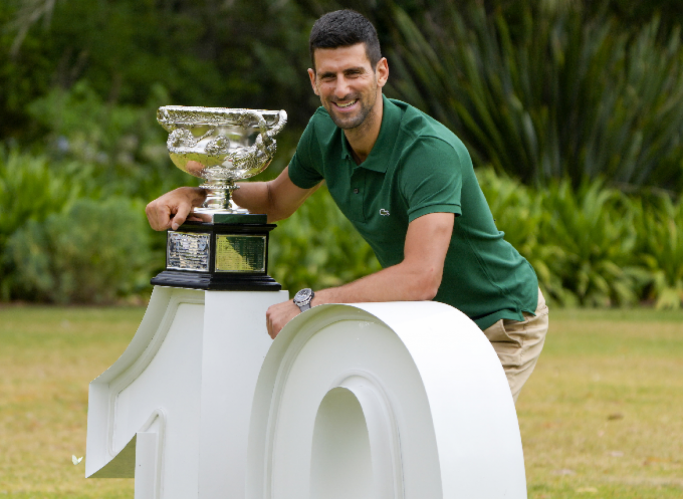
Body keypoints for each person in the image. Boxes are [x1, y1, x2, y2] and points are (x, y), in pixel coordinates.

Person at [146, 8, 547, 411]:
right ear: (313, 80)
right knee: (406, 436)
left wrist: (309, 303)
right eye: (329, 76)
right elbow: (273, 200)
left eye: (354, 73)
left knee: (464, 440)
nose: (341, 89)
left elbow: (421, 276)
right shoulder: (323, 132)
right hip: (430, 320)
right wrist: (197, 194)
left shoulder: (428, 152)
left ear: (381, 72)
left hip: (499, 317)